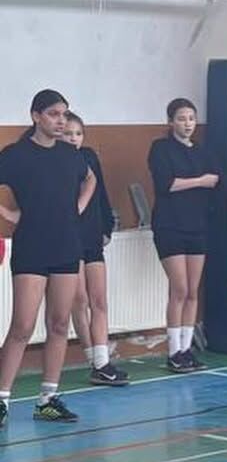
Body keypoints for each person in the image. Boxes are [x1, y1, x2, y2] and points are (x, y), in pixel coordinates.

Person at [148, 97, 227, 374]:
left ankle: (186, 349)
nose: (187, 124)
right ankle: (173, 352)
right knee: (179, 288)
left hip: (197, 226)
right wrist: (200, 182)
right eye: (181, 118)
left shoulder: (203, 153)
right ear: (170, 122)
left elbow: (224, 182)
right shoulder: (161, 149)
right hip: (170, 226)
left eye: (191, 118)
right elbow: (166, 184)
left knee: (193, 291)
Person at [0, 89, 98, 428]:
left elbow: (90, 178)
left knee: (59, 323)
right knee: (22, 326)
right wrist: (10, 214)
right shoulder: (15, 155)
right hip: (32, 247)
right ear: (36, 116)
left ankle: (47, 399)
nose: (61, 121)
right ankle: (2, 399)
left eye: (64, 114)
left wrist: (78, 207)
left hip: (66, 246)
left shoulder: (71, 155)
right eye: (54, 114)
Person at [63, 112, 129, 387]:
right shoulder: (55, 161)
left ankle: (103, 361)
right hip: (68, 237)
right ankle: (95, 360)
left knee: (99, 300)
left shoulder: (89, 156)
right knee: (79, 300)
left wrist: (107, 226)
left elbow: (100, 193)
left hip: (91, 236)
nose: (74, 139)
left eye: (78, 134)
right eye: (68, 134)